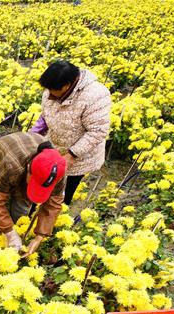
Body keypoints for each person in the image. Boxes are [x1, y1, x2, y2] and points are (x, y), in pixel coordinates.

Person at [30, 60, 111, 205]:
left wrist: (72, 154)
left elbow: (97, 131)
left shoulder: (96, 95)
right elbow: (45, 115)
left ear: (67, 85)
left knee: (65, 192)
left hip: (82, 155)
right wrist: (31, 134)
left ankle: (59, 217)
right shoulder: (52, 89)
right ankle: (34, 212)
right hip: (56, 146)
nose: (49, 94)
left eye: (52, 90)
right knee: (44, 182)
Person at [0, 132, 67, 256]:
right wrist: (10, 233)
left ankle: (13, 241)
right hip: (3, 150)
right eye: (34, 184)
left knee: (21, 209)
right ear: (27, 168)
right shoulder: (12, 165)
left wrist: (39, 237)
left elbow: (53, 205)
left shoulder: (58, 171)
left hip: (30, 149)